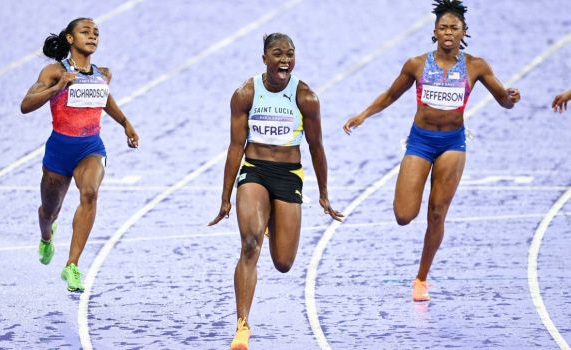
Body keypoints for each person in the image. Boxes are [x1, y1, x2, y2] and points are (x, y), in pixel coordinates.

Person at [343, 0, 520, 302]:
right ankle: (418, 251)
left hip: (453, 144)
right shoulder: (416, 64)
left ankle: (421, 278)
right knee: (403, 215)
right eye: (443, 27)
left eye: (454, 27)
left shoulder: (476, 66)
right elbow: (390, 95)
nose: (448, 32)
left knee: (437, 213)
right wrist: (364, 114)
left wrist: (511, 98)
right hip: (420, 142)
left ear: (464, 31)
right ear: (434, 32)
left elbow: (503, 99)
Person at [208, 33, 343, 350]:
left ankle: (269, 218)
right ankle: (242, 326)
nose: (285, 59)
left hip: (288, 176)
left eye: (290, 54)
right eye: (278, 53)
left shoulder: (306, 98)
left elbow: (316, 147)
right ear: (265, 58)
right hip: (254, 170)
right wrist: (225, 197)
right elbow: (234, 147)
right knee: (250, 244)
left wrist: (323, 194)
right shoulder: (246, 94)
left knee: (283, 263)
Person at [20, 18, 139, 292]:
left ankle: (72, 266)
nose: (93, 36)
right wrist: (57, 87)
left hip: (90, 148)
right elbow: (25, 105)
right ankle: (47, 237)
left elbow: (104, 98)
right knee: (49, 211)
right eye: (85, 32)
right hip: (58, 152)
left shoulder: (103, 73)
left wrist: (126, 123)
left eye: (96, 33)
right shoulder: (53, 71)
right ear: (70, 39)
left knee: (90, 193)